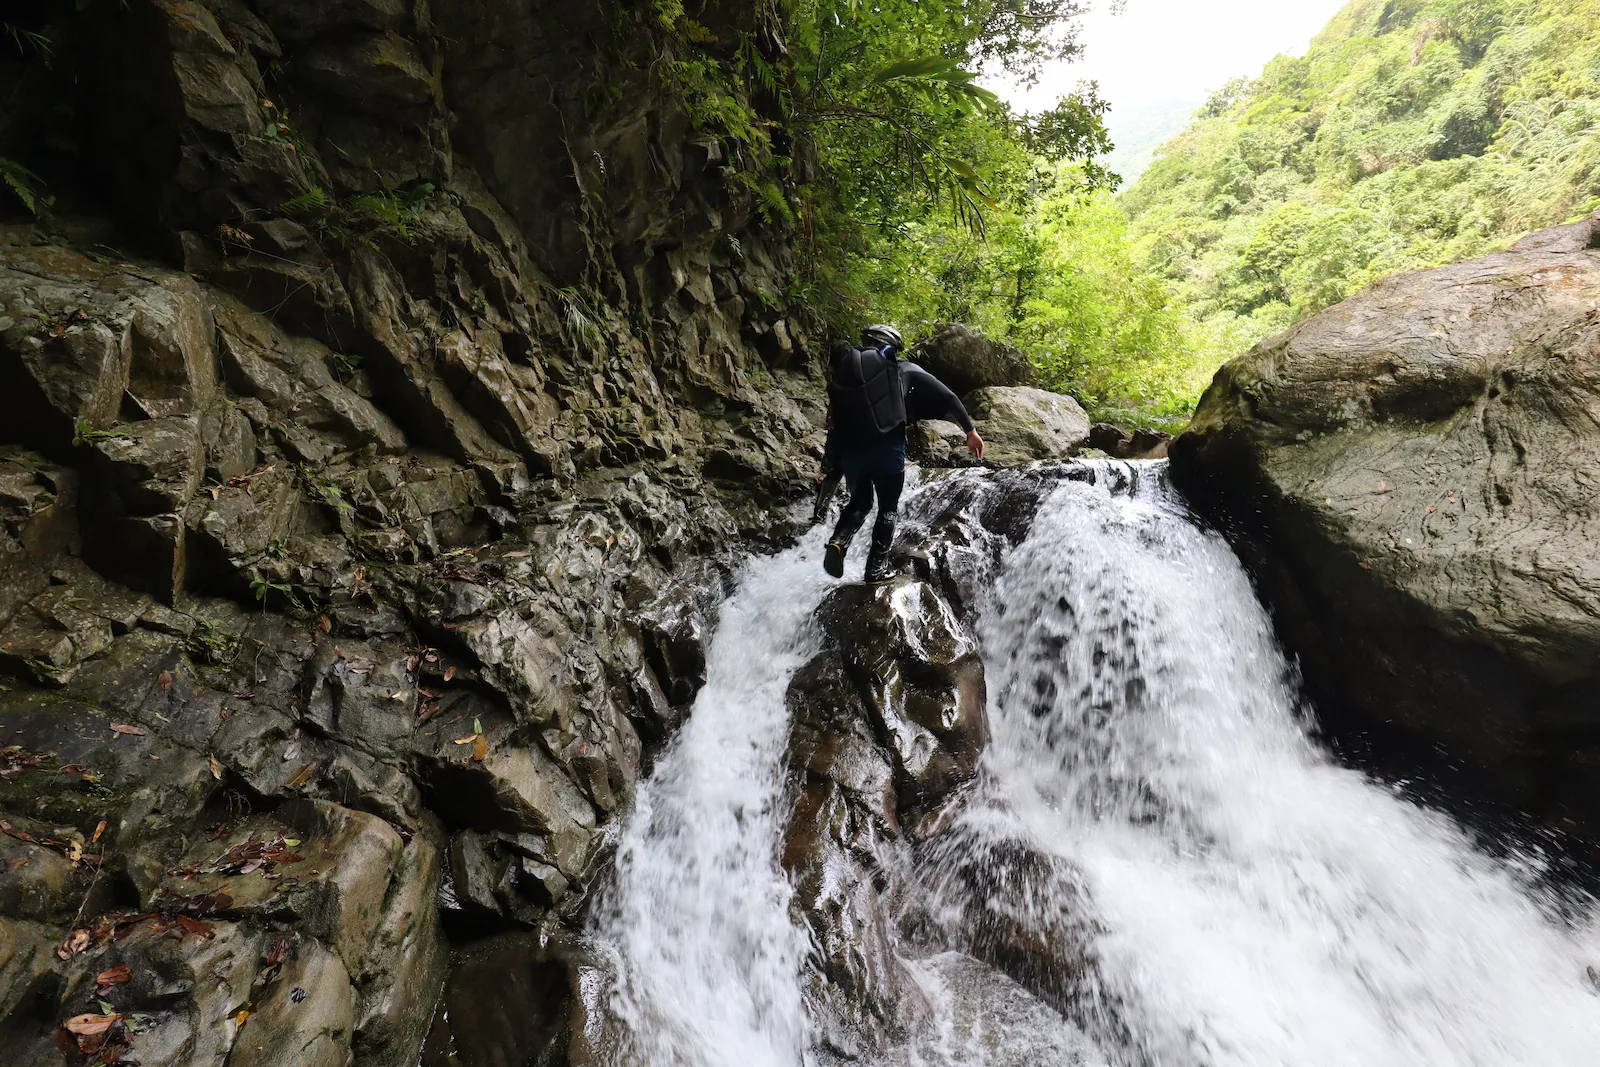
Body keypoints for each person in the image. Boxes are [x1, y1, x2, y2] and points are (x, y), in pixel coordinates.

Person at [819, 324, 984, 583]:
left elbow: (834, 419)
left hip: (852, 449)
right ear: (893, 347)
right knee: (888, 507)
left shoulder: (848, 372)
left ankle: (838, 541)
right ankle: (875, 570)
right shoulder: (904, 369)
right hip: (887, 448)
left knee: (860, 502)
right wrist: (970, 431)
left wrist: (831, 463)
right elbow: (948, 397)